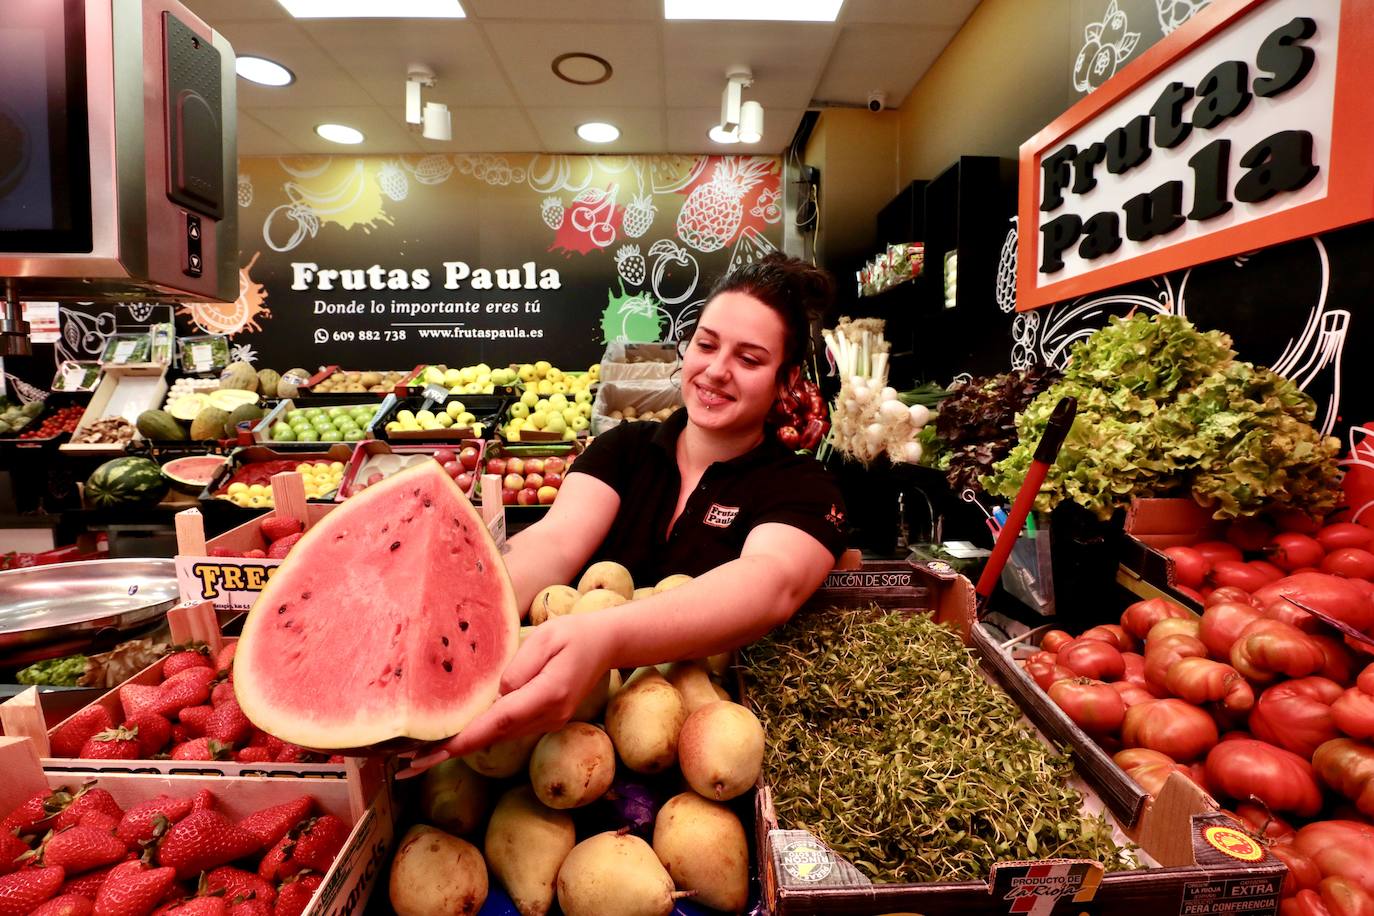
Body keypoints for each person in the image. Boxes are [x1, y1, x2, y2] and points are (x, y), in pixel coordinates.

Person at [404, 254, 847, 774]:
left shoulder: (804, 487)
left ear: (785, 379)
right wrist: (448, 625)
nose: (716, 370)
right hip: (564, 749)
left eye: (749, 360)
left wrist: (605, 638)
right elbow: (554, 542)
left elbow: (769, 584)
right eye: (705, 345)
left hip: (707, 765)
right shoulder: (626, 448)